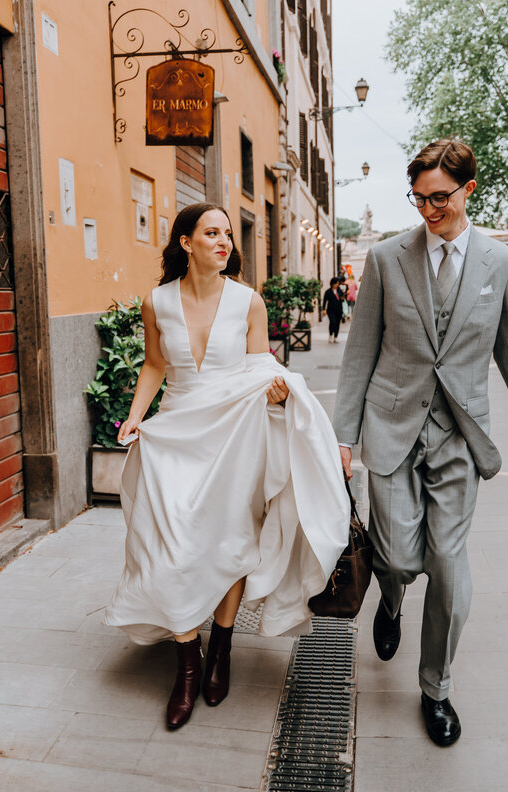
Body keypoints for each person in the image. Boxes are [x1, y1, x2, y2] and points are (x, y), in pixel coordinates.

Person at [333, 139, 508, 748]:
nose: (428, 210)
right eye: (418, 198)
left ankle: (435, 688)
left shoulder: (501, 264)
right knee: (398, 556)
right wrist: (342, 437)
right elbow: (360, 353)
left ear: (469, 189)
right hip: (390, 430)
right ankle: (389, 601)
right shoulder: (387, 259)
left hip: (459, 440)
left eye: (440, 197)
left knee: (447, 565)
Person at [104, 202, 348, 730]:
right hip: (174, 434)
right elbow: (154, 365)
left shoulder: (249, 302)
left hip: (234, 434)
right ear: (186, 243)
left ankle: (222, 649)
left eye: (228, 235)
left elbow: (261, 366)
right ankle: (187, 666)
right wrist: (133, 418)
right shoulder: (157, 302)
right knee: (171, 547)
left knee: (233, 541)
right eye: (211, 233)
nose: (224, 242)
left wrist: (281, 393)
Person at [322, 277, 344, 342]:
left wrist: (344, 296)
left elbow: (342, 299)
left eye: (338, 283)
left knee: (337, 323)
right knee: (332, 322)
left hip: (339, 309)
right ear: (332, 283)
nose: (337, 285)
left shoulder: (340, 291)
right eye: (336, 283)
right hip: (331, 310)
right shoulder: (328, 292)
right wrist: (323, 309)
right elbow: (325, 301)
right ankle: (331, 335)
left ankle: (336, 337)